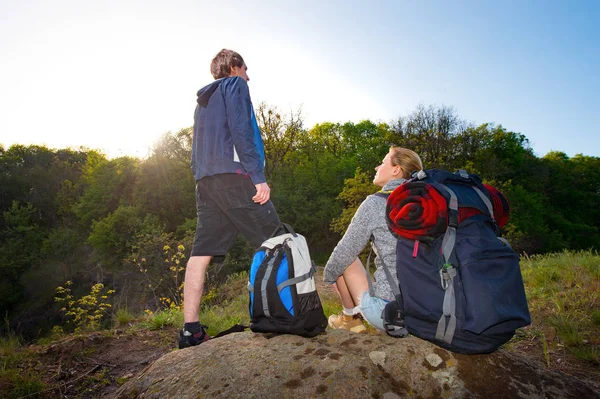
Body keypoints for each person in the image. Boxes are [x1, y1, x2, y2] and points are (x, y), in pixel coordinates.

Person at [180, 49, 281, 349]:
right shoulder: (235, 86)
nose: (248, 75)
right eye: (246, 68)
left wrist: (202, 178)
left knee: (200, 253)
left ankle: (190, 331)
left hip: (205, 183)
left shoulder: (203, 101)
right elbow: (240, 130)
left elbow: (196, 147)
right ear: (234, 67)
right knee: (278, 240)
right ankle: (284, 315)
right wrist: (257, 175)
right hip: (235, 177)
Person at [323, 147, 423, 333]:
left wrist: (329, 278)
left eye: (383, 162)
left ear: (396, 170)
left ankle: (350, 319)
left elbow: (345, 251)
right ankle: (351, 319)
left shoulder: (376, 203)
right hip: (427, 311)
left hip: (392, 312)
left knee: (345, 259)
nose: (377, 167)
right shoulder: (429, 205)